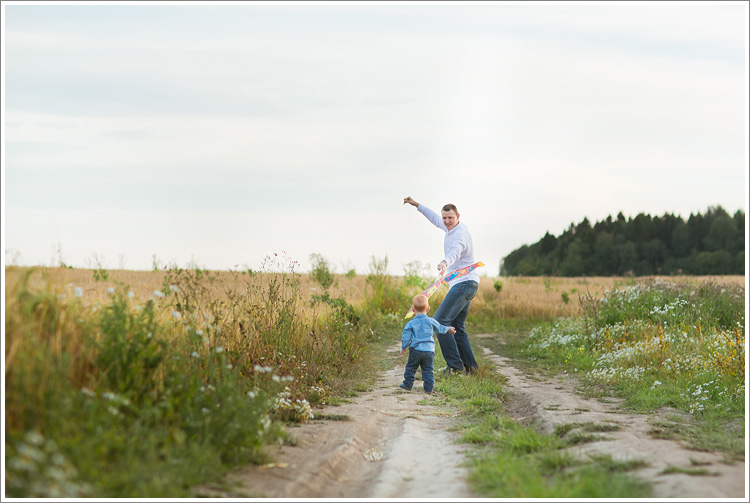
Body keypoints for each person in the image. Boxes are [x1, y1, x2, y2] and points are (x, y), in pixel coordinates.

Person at [403, 196, 480, 375]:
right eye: (444, 218)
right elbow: (434, 218)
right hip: (466, 283)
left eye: (450, 218)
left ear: (458, 216)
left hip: (464, 283)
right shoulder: (449, 227)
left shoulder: (460, 234)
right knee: (457, 327)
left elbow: (456, 251)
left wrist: (445, 262)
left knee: (439, 321)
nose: (446, 221)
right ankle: (471, 369)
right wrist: (416, 205)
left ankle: (454, 367)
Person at [399, 294, 456, 394]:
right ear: (428, 308)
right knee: (428, 370)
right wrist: (449, 329)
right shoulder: (431, 321)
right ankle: (428, 389)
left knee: (411, 367)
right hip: (429, 351)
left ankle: (408, 384)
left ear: (412, 309)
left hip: (415, 351)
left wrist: (403, 347)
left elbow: (406, 337)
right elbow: (440, 327)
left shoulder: (410, 323)